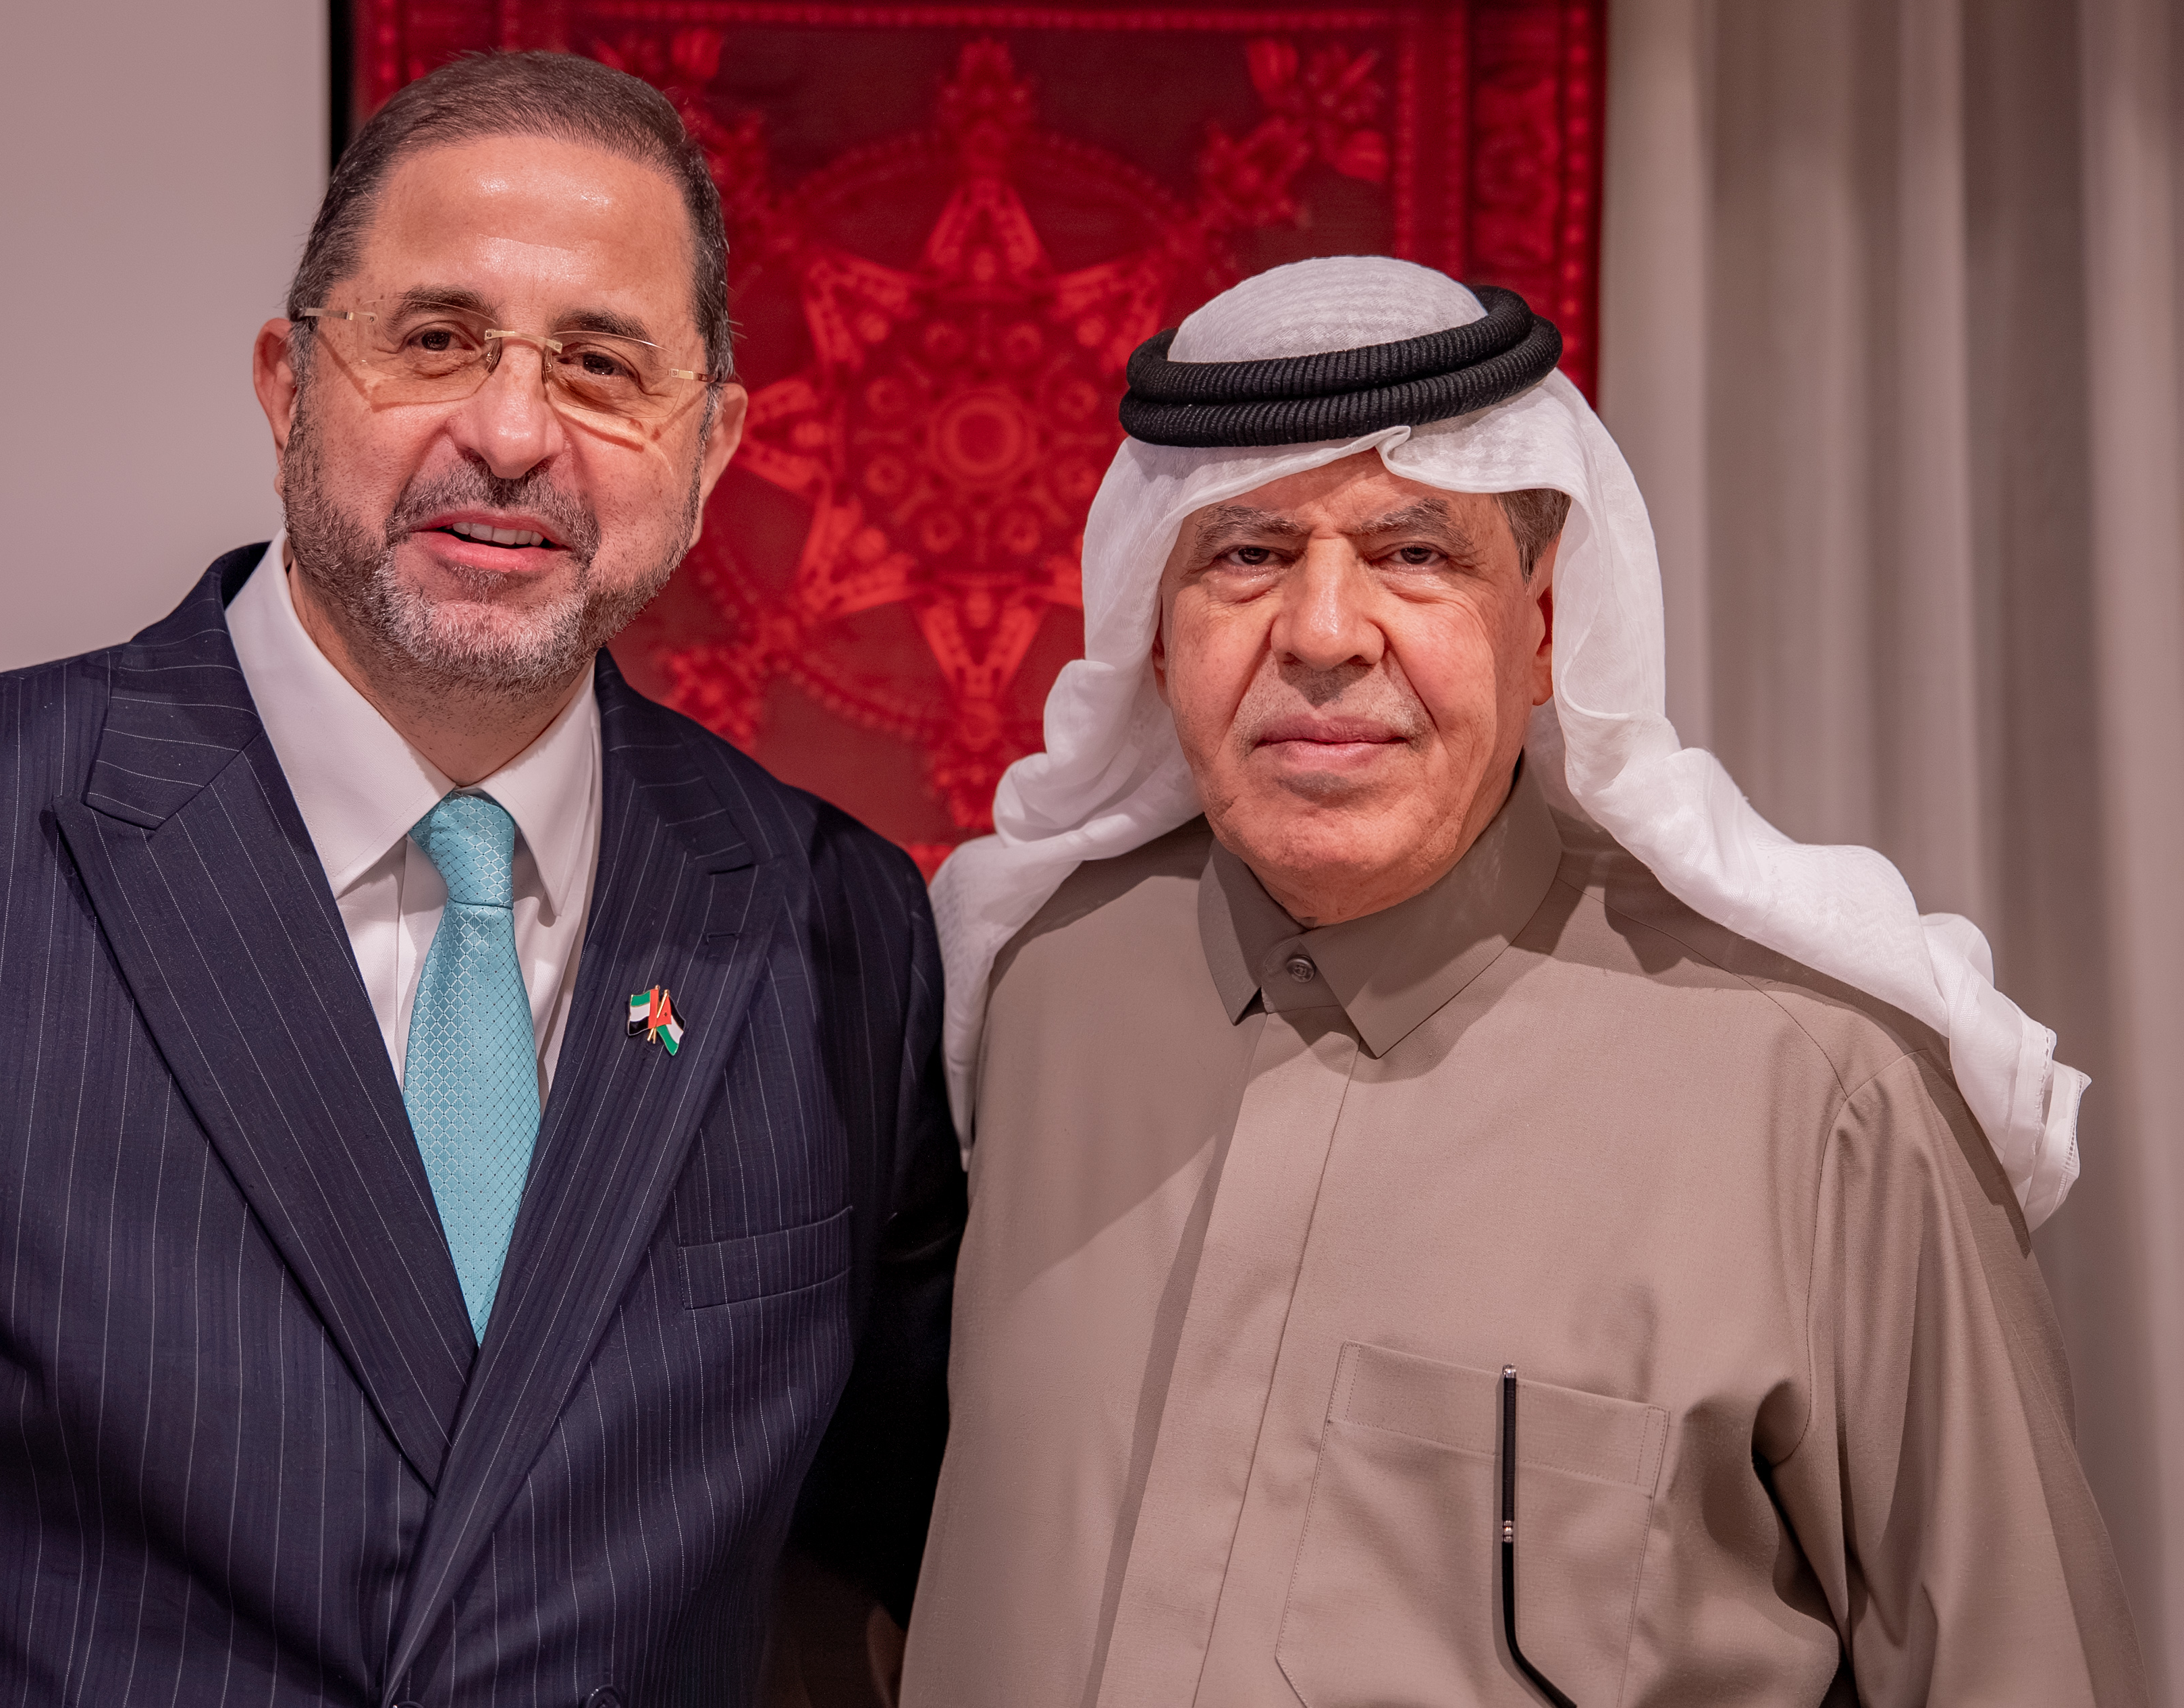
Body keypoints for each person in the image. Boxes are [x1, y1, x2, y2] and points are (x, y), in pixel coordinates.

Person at [0, 51, 962, 1708]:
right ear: (287, 386)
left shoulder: (832, 927)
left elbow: (942, 1560)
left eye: (601, 367)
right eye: (434, 339)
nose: (509, 433)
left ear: (709, 446)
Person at [899, 256, 2143, 1706]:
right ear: (1156, 637)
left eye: (1415, 552)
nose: (1321, 632)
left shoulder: (1821, 1105)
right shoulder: (1026, 995)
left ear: (1543, 627)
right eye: (1244, 554)